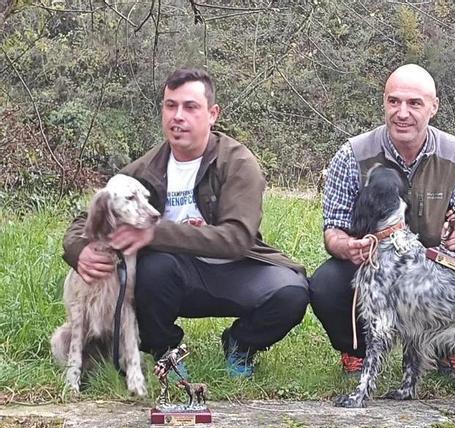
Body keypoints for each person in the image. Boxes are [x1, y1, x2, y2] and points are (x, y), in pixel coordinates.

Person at [62, 68, 309, 379]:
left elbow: (237, 239)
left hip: (233, 269)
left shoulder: (238, 162)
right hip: (169, 278)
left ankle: (240, 346)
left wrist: (154, 232)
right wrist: (80, 250)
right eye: (170, 105)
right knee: (152, 268)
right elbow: (87, 219)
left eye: (190, 107)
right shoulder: (146, 167)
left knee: (292, 292)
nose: (178, 116)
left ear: (212, 113)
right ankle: (167, 353)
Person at [310, 64, 455, 375]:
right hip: (374, 262)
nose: (402, 113)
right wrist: (349, 246)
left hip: (433, 263)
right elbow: (332, 229)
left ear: (434, 107)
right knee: (325, 284)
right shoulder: (351, 155)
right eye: (394, 102)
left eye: (414, 103)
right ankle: (357, 350)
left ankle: (447, 349)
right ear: (384, 103)